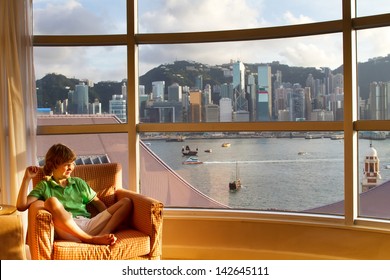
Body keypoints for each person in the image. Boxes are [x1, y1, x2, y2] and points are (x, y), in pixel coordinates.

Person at [16, 143, 132, 246]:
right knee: (51, 201)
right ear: (53, 165)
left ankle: (103, 234)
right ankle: (90, 239)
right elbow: (21, 206)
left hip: (89, 224)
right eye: (66, 164)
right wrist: (26, 179)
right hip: (67, 229)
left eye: (72, 163)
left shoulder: (78, 183)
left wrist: (109, 221)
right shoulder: (44, 186)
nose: (71, 167)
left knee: (126, 202)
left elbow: (99, 205)